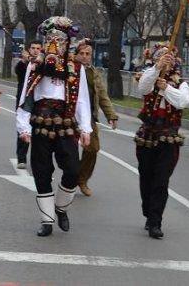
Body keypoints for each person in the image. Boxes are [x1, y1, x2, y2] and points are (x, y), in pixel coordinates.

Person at [16, 16, 92, 237]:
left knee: (72, 170)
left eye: (59, 40)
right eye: (51, 39)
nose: (54, 44)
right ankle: (47, 220)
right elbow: (26, 96)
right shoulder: (36, 65)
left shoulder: (76, 68)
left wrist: (85, 128)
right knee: (41, 171)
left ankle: (61, 207)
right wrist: (23, 128)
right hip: (40, 122)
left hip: (66, 121)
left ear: (67, 43)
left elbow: (82, 100)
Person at [134, 44, 189, 239]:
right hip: (148, 135)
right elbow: (143, 87)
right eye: (163, 59)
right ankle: (148, 211)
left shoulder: (181, 83)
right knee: (146, 177)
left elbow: (182, 101)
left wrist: (166, 88)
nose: (168, 62)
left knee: (161, 180)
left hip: (168, 137)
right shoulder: (149, 76)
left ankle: (155, 221)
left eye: (169, 59)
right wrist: (157, 69)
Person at [74, 38, 118, 197]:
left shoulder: (94, 73)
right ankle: (70, 177)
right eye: (82, 53)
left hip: (89, 116)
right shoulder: (69, 68)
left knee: (92, 149)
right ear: (76, 54)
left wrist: (111, 115)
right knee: (68, 150)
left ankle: (82, 179)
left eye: (88, 54)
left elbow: (103, 96)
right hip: (69, 116)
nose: (85, 56)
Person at [14, 40, 42, 169]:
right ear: (29, 49)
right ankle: (21, 158)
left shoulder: (43, 65)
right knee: (23, 129)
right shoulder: (24, 64)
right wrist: (24, 60)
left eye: (38, 48)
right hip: (24, 101)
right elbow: (18, 71)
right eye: (33, 48)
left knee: (38, 131)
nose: (35, 50)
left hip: (38, 102)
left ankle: (38, 160)